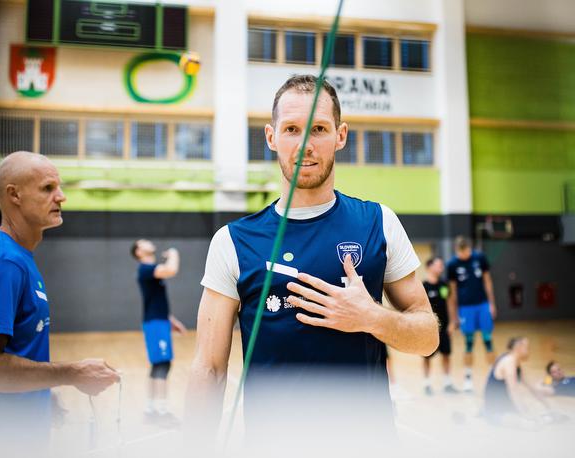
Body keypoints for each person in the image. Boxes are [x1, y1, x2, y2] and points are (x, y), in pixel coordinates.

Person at [185, 75, 438, 447]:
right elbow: (208, 369)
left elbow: (428, 337)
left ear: (341, 135)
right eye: (291, 129)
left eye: (318, 128)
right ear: (271, 137)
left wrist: (371, 317)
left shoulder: (378, 223)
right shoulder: (233, 242)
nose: (305, 143)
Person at [0, 151, 120, 450]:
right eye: (48, 188)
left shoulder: (0, 252)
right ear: (14, 195)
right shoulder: (4, 263)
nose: (62, 196)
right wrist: (71, 373)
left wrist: (42, 392)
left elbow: (13, 349)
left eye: (59, 187)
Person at [131, 240, 187, 426]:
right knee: (163, 364)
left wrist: (171, 320)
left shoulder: (150, 270)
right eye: (143, 243)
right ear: (139, 252)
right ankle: (161, 413)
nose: (148, 242)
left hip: (159, 321)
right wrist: (174, 254)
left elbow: (155, 301)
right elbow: (171, 270)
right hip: (155, 323)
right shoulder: (146, 269)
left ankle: (151, 410)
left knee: (158, 365)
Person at [446, 236, 496, 392]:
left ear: (470, 248)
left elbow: (487, 281)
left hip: (482, 305)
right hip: (465, 308)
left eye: (466, 252)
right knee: (469, 343)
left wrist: (492, 303)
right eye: (460, 253)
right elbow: (452, 292)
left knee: (488, 340)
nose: (464, 255)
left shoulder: (479, 258)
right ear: (456, 250)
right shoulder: (452, 265)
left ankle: (493, 377)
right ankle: (468, 379)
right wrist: (454, 316)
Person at [484, 337, 550, 426]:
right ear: (518, 348)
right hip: (495, 411)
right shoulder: (509, 361)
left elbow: (531, 387)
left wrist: (548, 406)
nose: (529, 351)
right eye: (527, 348)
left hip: (504, 406)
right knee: (531, 425)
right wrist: (525, 415)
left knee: (539, 418)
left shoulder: (515, 361)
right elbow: (513, 391)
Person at [422, 256, 459, 395]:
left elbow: (450, 303)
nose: (441, 268)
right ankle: (426, 384)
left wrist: (452, 322)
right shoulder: (423, 286)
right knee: (427, 356)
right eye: (438, 265)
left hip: (444, 327)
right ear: (429, 267)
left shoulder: (444, 285)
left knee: (446, 354)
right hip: (429, 329)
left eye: (442, 266)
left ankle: (447, 383)